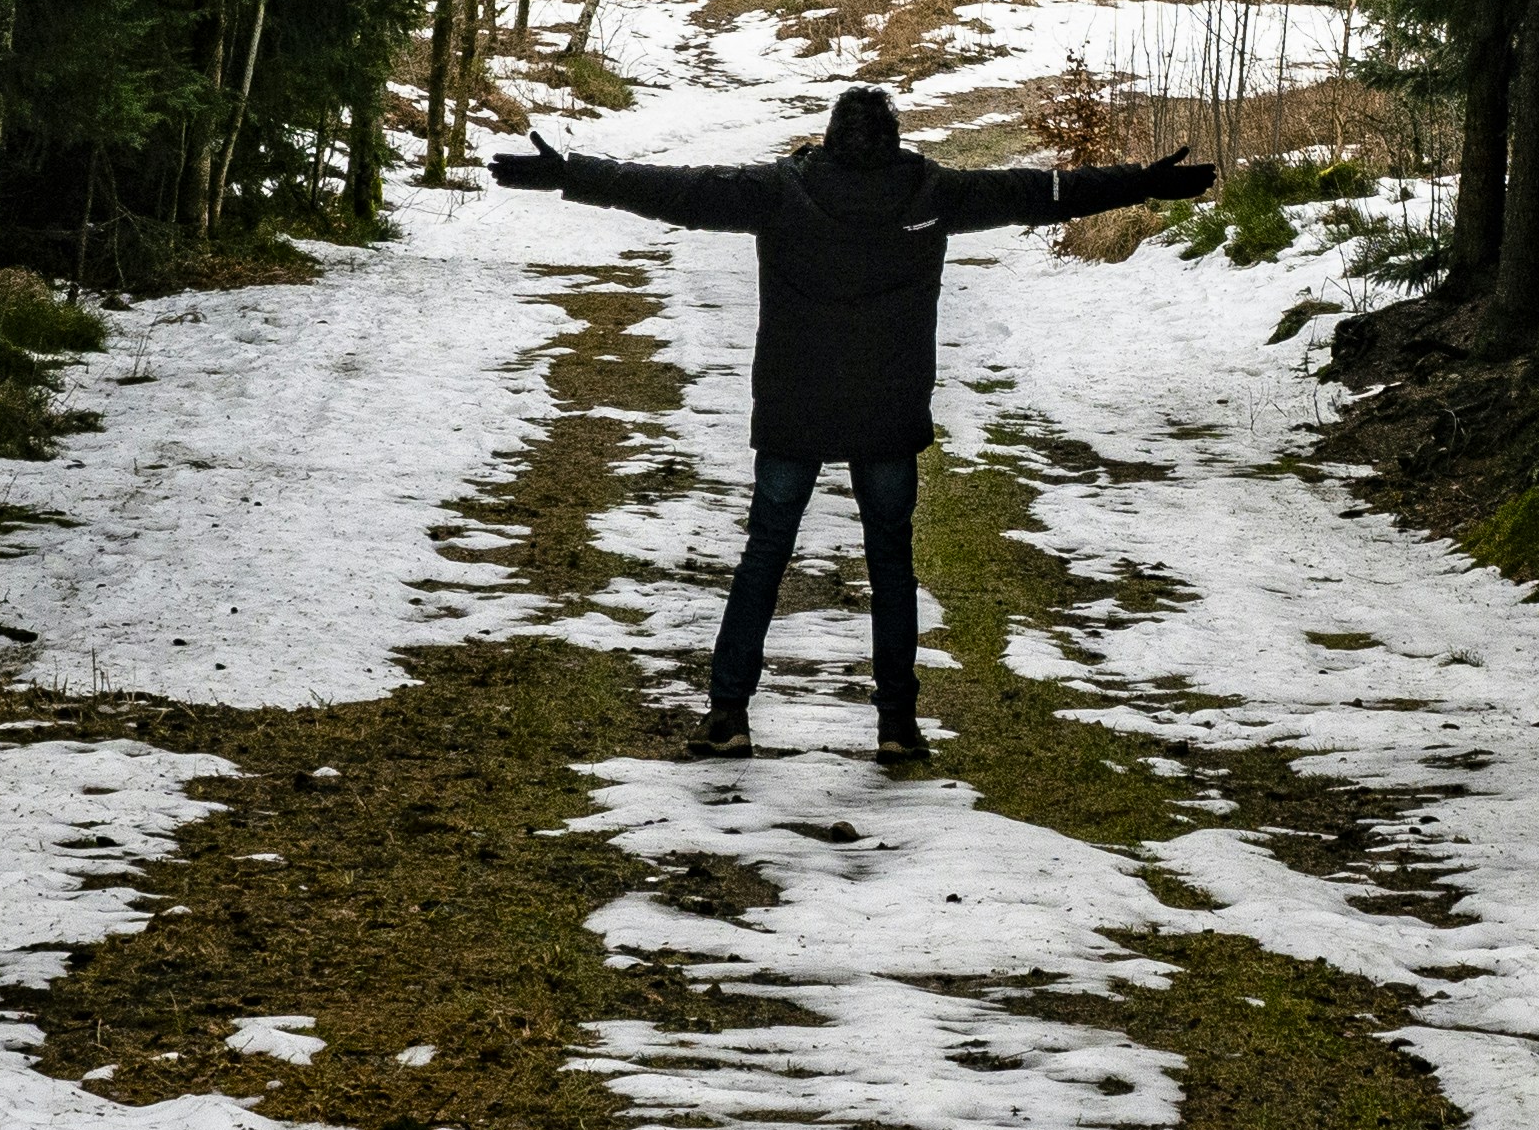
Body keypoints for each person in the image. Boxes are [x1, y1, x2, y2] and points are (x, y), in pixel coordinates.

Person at [496, 82, 1211, 762]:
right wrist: (1139, 182)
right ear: (893, 140)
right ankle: (897, 724)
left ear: (830, 139)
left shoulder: (780, 190)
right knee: (891, 562)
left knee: (765, 554)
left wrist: (571, 173)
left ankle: (727, 716)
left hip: (794, 405)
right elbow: (1039, 192)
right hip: (888, 406)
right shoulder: (933, 192)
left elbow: (676, 191)